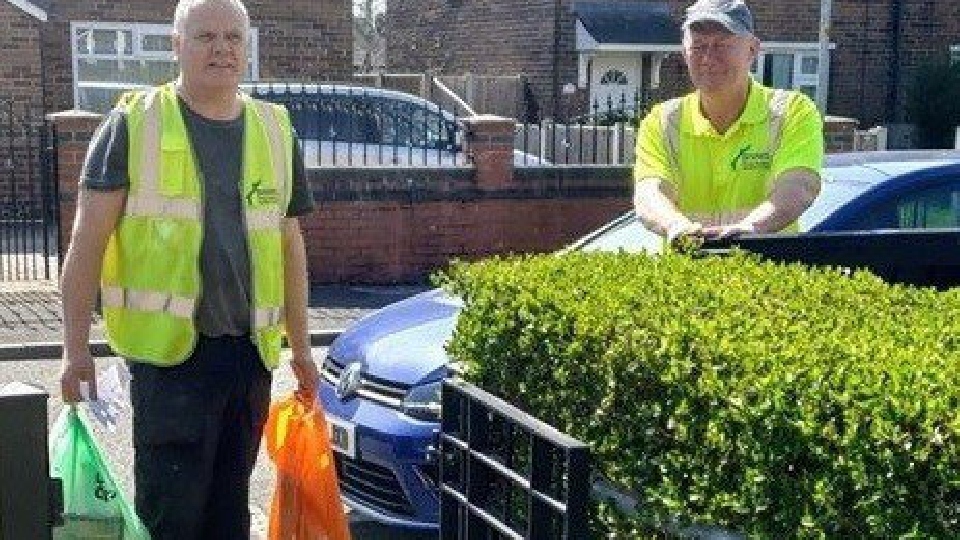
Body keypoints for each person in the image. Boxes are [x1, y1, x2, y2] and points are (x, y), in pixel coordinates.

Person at [58, 0, 320, 537]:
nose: (221, 48)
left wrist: (302, 347)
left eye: (233, 37)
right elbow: (87, 242)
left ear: (245, 47)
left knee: (229, 516)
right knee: (171, 519)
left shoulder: (274, 127)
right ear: (177, 45)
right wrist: (74, 349)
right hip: (169, 362)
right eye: (204, 36)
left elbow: (290, 243)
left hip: (249, 358)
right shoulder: (134, 122)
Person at [634, 0, 824, 245]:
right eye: (699, 46)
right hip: (687, 276)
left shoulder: (792, 112)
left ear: (752, 50)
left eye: (722, 45)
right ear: (684, 53)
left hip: (767, 274)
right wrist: (675, 226)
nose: (708, 58)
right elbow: (650, 192)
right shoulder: (662, 121)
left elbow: (799, 185)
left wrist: (751, 228)